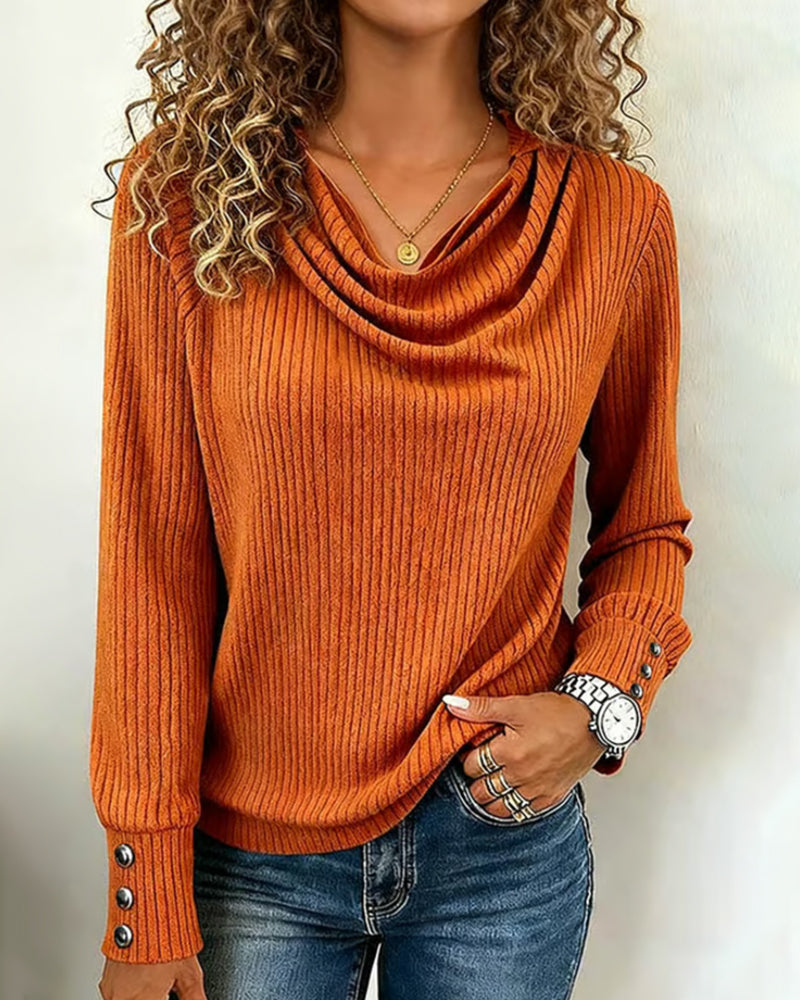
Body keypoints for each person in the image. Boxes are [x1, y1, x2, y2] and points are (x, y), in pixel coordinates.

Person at [89, 1, 695, 998]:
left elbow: (644, 523)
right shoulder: (190, 195)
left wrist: (599, 705)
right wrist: (141, 884)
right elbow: (152, 554)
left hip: (499, 847)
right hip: (252, 856)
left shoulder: (611, 218)